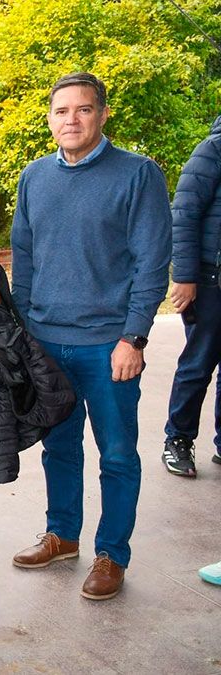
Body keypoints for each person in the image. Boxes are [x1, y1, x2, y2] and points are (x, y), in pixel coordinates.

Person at [10, 73, 171, 601]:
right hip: (46, 341)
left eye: (83, 110)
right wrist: (24, 335)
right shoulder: (34, 177)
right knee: (58, 447)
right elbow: (24, 259)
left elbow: (152, 262)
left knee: (117, 454)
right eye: (61, 111)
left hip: (109, 345)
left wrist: (134, 337)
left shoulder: (137, 174)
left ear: (102, 114)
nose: (71, 120)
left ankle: (111, 554)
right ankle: (62, 535)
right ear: (49, 118)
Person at [161, 111, 221, 477]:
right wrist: (184, 277)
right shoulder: (213, 149)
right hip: (211, 280)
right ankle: (178, 439)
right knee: (198, 364)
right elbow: (184, 214)